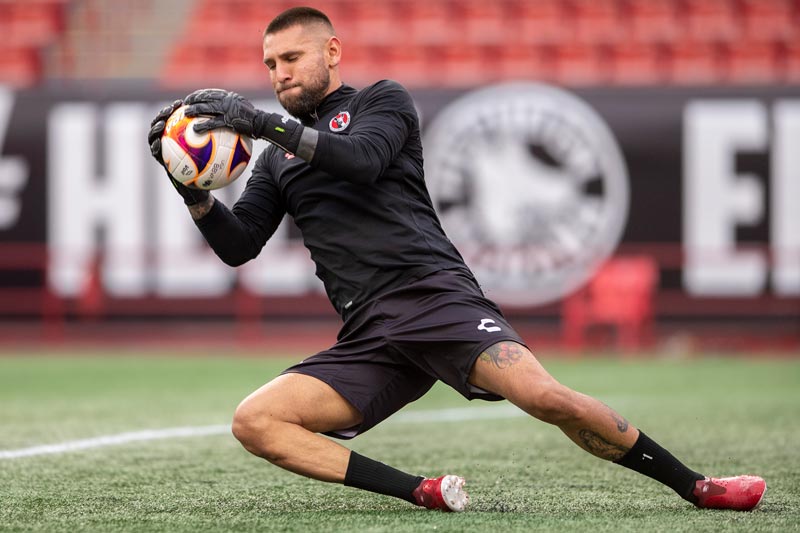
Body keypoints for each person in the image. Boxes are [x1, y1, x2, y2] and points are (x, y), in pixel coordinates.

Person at [147, 6, 765, 513]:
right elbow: (239, 245)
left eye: (291, 58)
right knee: (255, 422)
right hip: (368, 333)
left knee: (548, 400)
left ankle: (696, 486)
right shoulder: (275, 159)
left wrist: (259, 121)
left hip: (433, 296)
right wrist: (189, 188)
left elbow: (359, 160)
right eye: (269, 65)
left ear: (331, 52)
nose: (279, 73)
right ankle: (422, 491)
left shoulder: (381, 102)